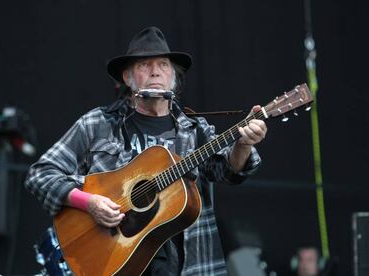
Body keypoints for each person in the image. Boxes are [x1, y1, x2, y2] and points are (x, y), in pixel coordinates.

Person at [25, 26, 267, 275]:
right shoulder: (97, 124)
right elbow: (40, 175)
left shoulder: (195, 130)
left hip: (189, 267)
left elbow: (229, 170)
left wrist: (243, 143)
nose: (155, 72)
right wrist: (90, 202)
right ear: (127, 78)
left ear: (174, 77)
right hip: (113, 259)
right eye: (144, 65)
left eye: (163, 64)